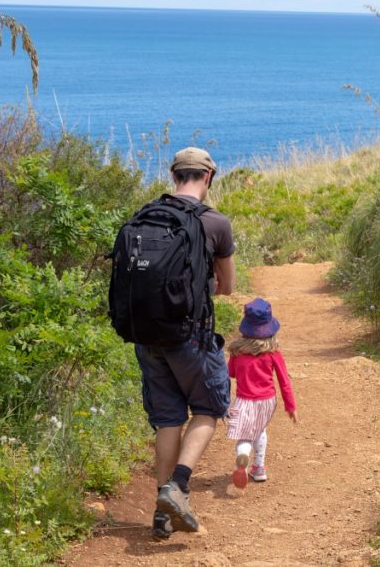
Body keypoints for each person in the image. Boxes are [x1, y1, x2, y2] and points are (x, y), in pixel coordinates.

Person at [135, 147, 236, 540]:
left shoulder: (144, 216)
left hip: (145, 336)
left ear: (174, 175)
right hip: (190, 336)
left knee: (167, 418)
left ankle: (160, 517)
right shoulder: (215, 222)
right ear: (208, 177)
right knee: (209, 407)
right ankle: (177, 487)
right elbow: (227, 287)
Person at [226, 298, 298, 489]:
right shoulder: (274, 353)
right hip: (267, 401)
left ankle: (243, 456)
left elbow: (230, 373)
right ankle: (259, 468)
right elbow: (284, 382)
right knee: (260, 430)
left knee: (245, 436)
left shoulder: (237, 352)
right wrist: (291, 406)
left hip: (243, 401)